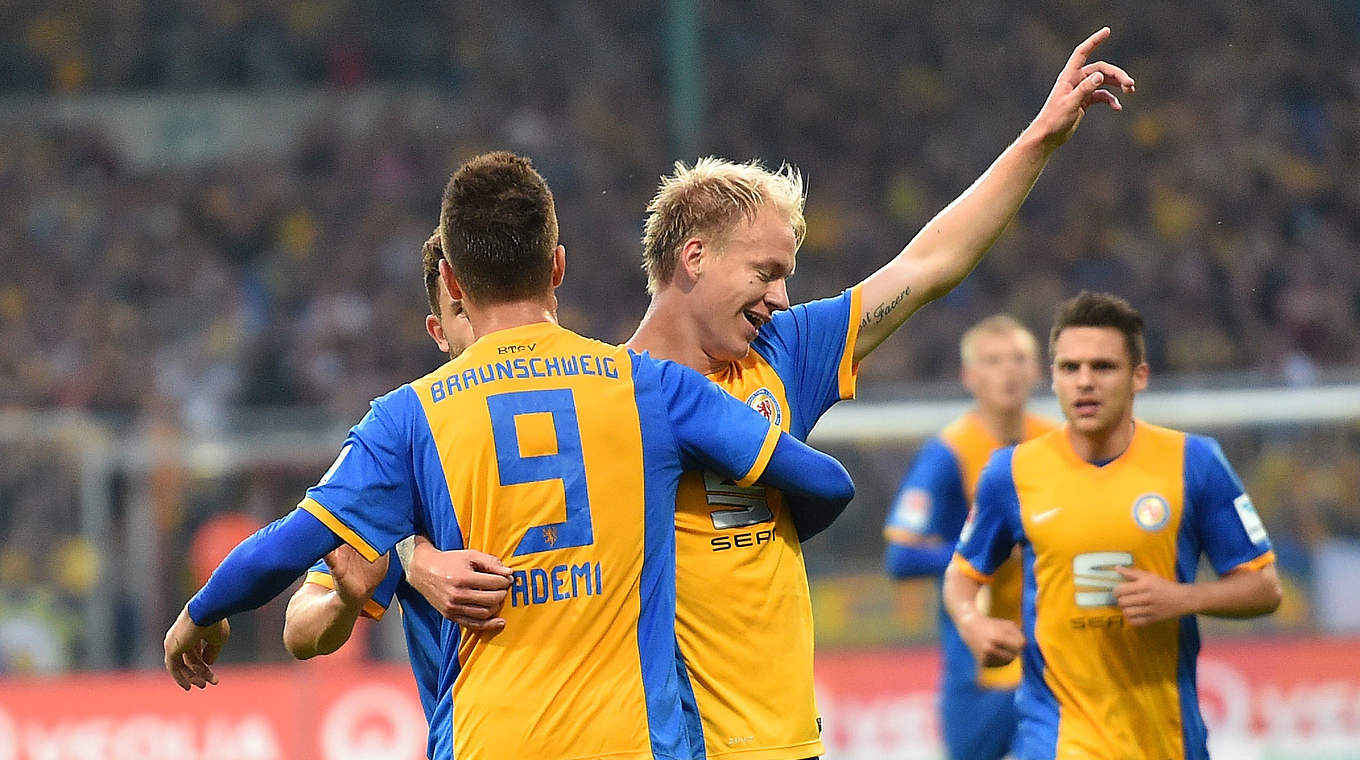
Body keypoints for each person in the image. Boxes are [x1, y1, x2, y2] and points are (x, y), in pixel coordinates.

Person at [162, 151, 855, 760]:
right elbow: (822, 479)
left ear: (456, 283)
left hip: (492, 741)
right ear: (557, 265)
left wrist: (202, 615)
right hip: (636, 741)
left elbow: (283, 548)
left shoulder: (406, 421)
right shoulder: (648, 386)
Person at [617, 27, 1134, 760]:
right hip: (675, 742)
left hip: (788, 738)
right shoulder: (607, 393)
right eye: (765, 272)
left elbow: (928, 265)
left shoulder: (784, 353)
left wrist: (1040, 139)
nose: (782, 297)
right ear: (695, 257)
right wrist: (414, 557)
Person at [943, 291, 1282, 760]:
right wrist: (972, 623)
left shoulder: (1194, 463)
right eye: (1069, 368)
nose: (1085, 382)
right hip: (1057, 735)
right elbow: (962, 574)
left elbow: (1264, 587)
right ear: (1054, 378)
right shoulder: (1011, 474)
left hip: (1167, 737)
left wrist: (1182, 599)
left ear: (1138, 376)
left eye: (1103, 367)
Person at [282, 230, 513, 733]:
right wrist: (349, 596)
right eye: (464, 313)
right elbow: (300, 631)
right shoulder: (403, 448)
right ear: (438, 332)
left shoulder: (597, 406)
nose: (485, 328)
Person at [883, 315, 1055, 760]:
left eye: (1019, 359)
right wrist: (987, 554)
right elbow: (901, 557)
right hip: (978, 662)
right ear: (969, 375)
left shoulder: (1059, 446)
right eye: (993, 361)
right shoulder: (949, 453)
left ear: (1037, 371)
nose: (1008, 371)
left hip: (1055, 655)